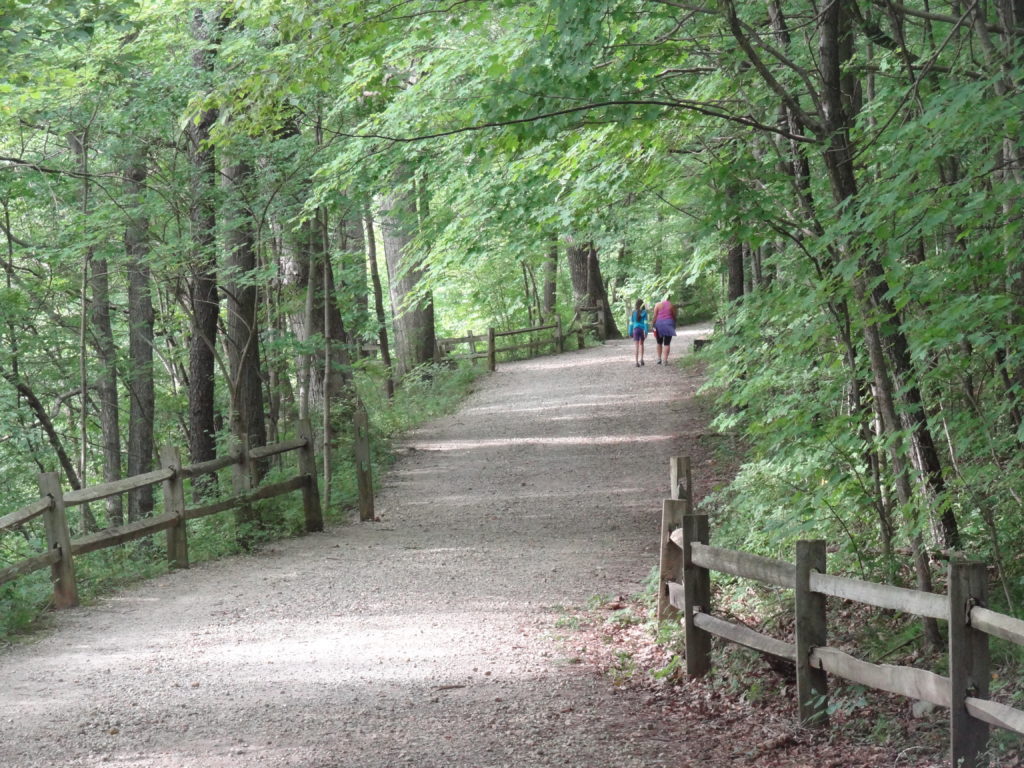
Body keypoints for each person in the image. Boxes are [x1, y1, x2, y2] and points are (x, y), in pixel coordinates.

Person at [651, 294, 677, 365]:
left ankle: (659, 359)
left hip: (658, 324)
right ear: (669, 298)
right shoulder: (671, 305)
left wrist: (653, 324)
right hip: (669, 324)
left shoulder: (657, 305)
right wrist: (674, 324)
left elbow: (655, 316)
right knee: (667, 343)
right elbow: (674, 315)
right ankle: (665, 360)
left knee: (659, 342)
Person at [627, 299, 649, 367]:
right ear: (642, 305)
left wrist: (630, 332)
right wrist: (646, 331)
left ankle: (636, 362)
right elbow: (646, 323)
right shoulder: (644, 312)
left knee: (636, 346)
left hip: (635, 330)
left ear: (636, 305)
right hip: (641, 330)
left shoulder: (633, 313)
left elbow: (631, 323)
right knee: (641, 344)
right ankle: (641, 359)